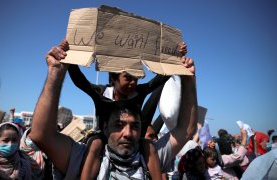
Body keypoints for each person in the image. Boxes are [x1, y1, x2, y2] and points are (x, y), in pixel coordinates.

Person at [29, 39, 197, 179]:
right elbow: (81, 82)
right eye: (119, 124)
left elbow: (159, 80)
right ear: (113, 79)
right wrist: (67, 62)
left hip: (141, 144)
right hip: (100, 136)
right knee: (95, 144)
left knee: (149, 147)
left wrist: (176, 61)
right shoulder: (102, 93)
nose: (133, 83)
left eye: (137, 79)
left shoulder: (140, 94)